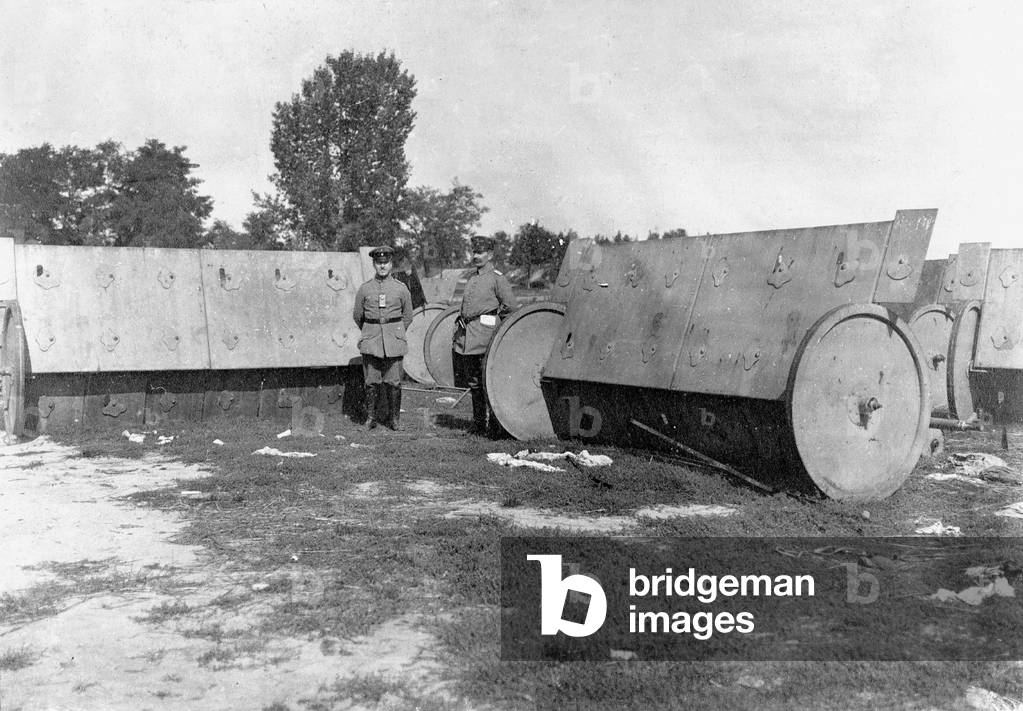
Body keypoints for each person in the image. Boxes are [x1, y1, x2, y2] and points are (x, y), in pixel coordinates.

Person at [452, 235, 518, 436]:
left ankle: (496, 427)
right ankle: (479, 424)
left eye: (480, 252)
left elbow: (510, 306)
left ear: (490, 254)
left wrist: (494, 321)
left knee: (488, 382)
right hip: (469, 337)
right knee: (474, 383)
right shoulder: (472, 277)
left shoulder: (497, 278)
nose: (476, 256)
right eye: (474, 252)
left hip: (486, 337)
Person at [353, 245, 414, 430]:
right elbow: (358, 315)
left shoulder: (401, 289)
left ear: (391, 264)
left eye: (385, 262)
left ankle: (394, 420)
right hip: (371, 341)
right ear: (374, 264)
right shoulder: (365, 289)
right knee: (371, 381)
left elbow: (408, 316)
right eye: (379, 263)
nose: (382, 266)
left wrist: (394, 332)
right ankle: (371, 419)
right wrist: (370, 331)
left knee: (394, 382)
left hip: (393, 341)